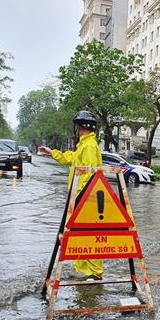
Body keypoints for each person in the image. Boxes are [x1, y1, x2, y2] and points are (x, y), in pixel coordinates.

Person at [39, 111, 104, 281]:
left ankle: (94, 274)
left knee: (89, 235)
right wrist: (52, 153)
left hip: (86, 199)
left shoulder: (89, 146)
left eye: (76, 127)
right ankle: (86, 271)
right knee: (81, 234)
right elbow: (72, 158)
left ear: (79, 127)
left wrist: (79, 196)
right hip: (84, 197)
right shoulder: (84, 145)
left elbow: (89, 173)